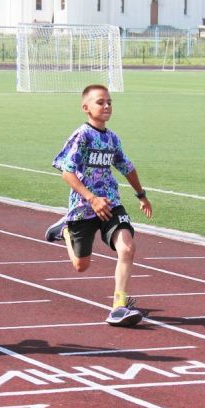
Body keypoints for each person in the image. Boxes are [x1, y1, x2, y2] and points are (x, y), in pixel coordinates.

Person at [44, 84, 152, 327]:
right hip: (84, 206)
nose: (106, 106)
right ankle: (64, 230)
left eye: (109, 102)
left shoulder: (112, 139)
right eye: (100, 102)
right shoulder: (82, 136)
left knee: (127, 248)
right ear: (86, 108)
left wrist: (141, 195)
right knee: (81, 266)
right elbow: (67, 172)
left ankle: (119, 306)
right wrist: (92, 198)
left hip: (111, 203)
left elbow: (127, 167)